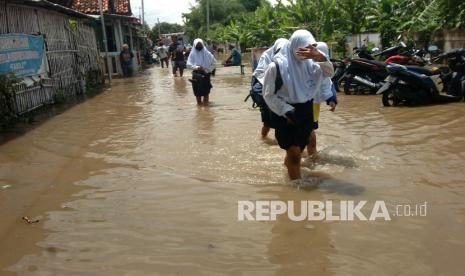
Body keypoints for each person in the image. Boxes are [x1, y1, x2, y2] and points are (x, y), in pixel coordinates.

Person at [263, 30, 334, 180]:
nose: (307, 52)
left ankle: (288, 168)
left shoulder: (313, 64)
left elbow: (329, 73)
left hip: (306, 110)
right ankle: (296, 189)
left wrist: (322, 58)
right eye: (303, 48)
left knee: (299, 149)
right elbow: (268, 95)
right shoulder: (276, 66)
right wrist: (286, 111)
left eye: (311, 47)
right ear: (294, 46)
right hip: (285, 112)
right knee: (295, 154)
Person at [251, 38, 288, 138]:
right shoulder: (267, 56)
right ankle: (263, 139)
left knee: (282, 125)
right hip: (265, 91)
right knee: (267, 123)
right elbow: (262, 76)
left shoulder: (289, 57)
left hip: (279, 95)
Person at [307, 42, 338, 157]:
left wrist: (332, 100)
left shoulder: (324, 69)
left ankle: (311, 156)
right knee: (304, 131)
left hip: (313, 104)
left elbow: (328, 84)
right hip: (302, 102)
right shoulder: (303, 65)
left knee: (310, 130)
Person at [187, 38, 217, 105]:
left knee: (206, 92)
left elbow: (214, 63)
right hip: (196, 75)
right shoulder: (192, 54)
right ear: (194, 45)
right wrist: (197, 67)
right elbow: (188, 65)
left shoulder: (208, 53)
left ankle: (206, 109)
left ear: (203, 44)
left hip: (206, 74)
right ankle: (199, 108)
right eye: (197, 45)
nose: (199, 46)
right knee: (197, 93)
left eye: (200, 44)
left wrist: (207, 70)